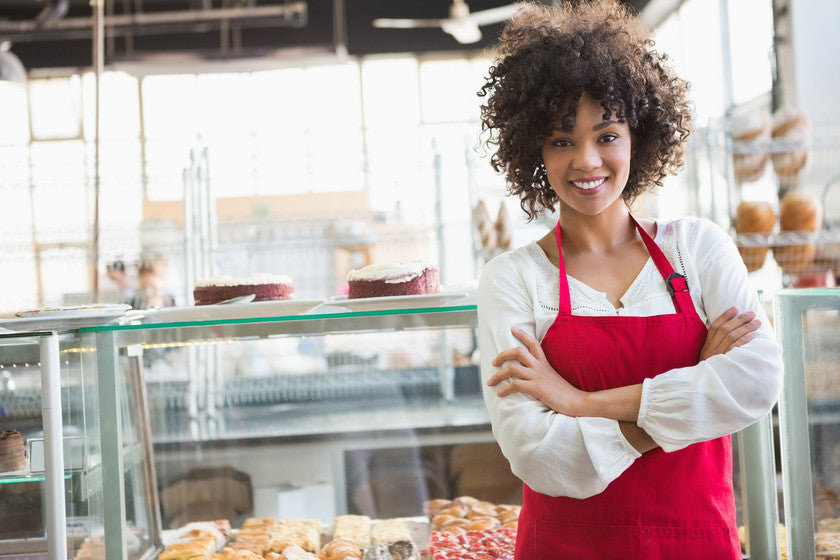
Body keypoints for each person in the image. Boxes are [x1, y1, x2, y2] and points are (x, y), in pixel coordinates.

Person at [475, 1, 783, 558]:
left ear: (639, 136)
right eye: (562, 140)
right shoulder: (512, 279)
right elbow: (538, 456)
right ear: (533, 152)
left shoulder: (699, 247)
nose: (587, 161)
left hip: (698, 543)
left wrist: (580, 403)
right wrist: (695, 385)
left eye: (607, 134)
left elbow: (757, 382)